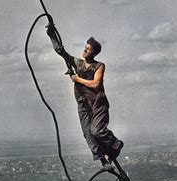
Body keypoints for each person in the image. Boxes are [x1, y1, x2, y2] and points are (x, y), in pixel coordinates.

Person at [46, 25, 123, 167]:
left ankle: (114, 143)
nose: (85, 50)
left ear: (94, 53)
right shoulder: (78, 63)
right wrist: (51, 35)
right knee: (88, 134)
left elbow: (95, 84)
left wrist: (77, 79)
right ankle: (102, 160)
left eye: (89, 49)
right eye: (85, 47)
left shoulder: (99, 66)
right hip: (83, 104)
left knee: (97, 131)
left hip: (97, 104)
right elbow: (61, 52)